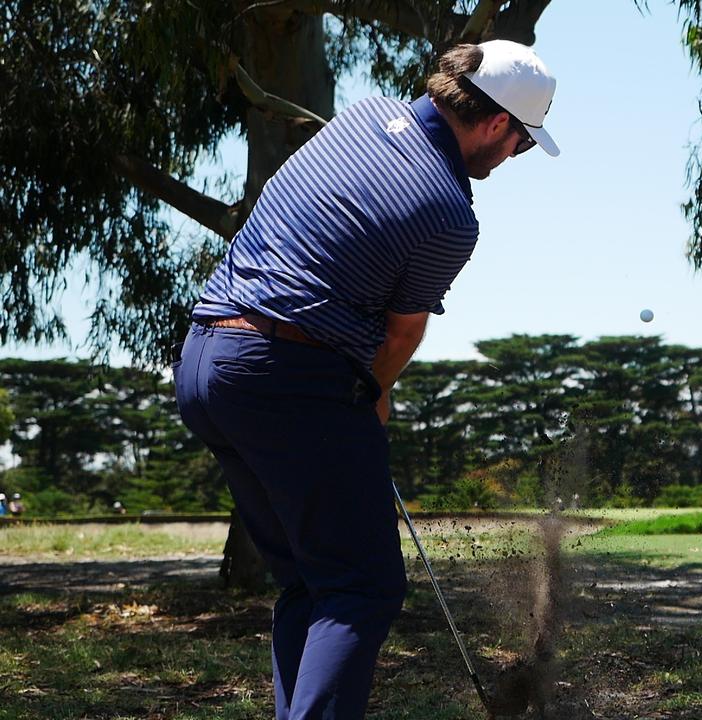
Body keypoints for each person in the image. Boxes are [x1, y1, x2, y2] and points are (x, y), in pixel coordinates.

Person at [174, 40, 559, 720]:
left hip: (207, 360)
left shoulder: (364, 111)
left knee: (308, 580)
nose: (512, 158)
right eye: (522, 144)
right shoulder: (449, 213)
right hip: (284, 377)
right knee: (363, 589)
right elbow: (400, 337)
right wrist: (368, 398)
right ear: (498, 124)